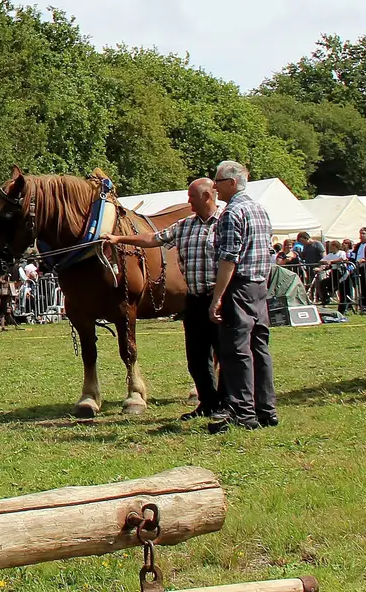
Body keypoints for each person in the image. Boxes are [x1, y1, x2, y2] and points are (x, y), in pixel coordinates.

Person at [106, 177, 221, 420]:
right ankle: (208, 403)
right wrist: (119, 239)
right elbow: (153, 239)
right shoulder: (185, 225)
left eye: (192, 196)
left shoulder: (226, 223)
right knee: (197, 358)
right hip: (195, 299)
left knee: (226, 353)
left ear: (207, 196)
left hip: (220, 298)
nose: (187, 200)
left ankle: (231, 404)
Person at [208, 161, 276, 432]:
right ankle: (266, 409)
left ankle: (243, 411)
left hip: (239, 286)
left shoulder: (231, 213)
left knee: (236, 350)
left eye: (218, 181)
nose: (215, 186)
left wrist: (217, 297)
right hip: (260, 287)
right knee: (260, 347)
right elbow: (268, 254)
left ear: (232, 183)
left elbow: (228, 259)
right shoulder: (260, 210)